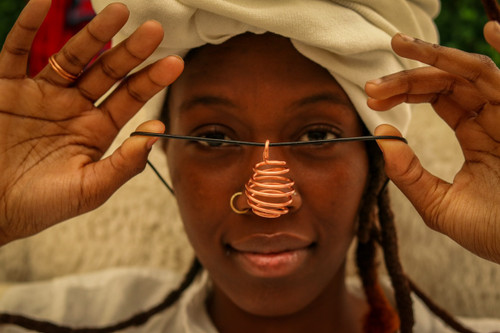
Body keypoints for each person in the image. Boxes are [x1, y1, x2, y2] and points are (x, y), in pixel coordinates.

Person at [0, 0, 499, 332]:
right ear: (165, 153)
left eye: (318, 135)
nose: (269, 204)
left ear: (376, 158)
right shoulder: (66, 317)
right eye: (215, 138)